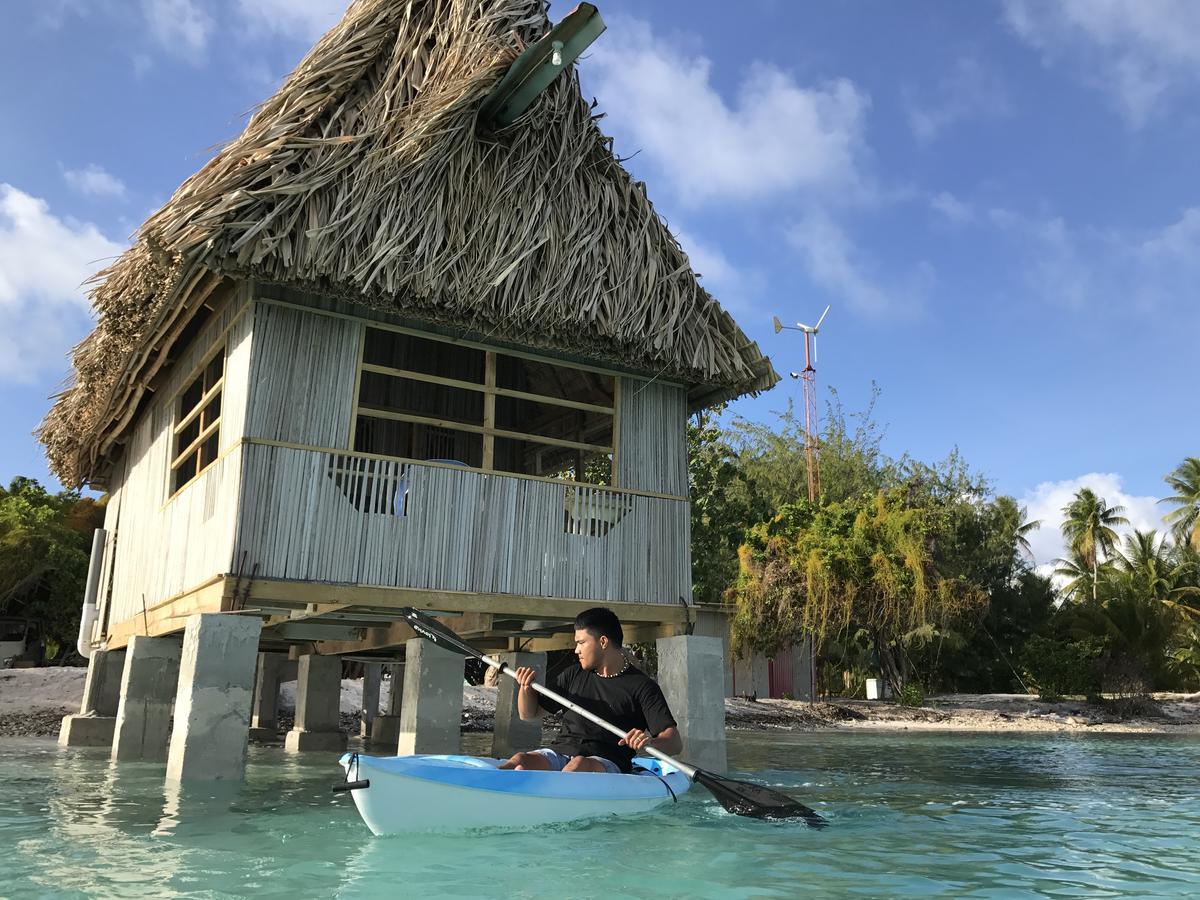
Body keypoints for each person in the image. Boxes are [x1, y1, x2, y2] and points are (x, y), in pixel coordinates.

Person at [498, 607, 682, 774]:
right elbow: (528, 713)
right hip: (561, 752)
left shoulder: (642, 686)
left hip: (607, 760)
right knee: (519, 760)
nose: (576, 650)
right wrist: (525, 688)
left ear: (602, 642)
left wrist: (648, 742)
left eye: (581, 642)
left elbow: (674, 743)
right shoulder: (573, 674)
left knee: (579, 765)